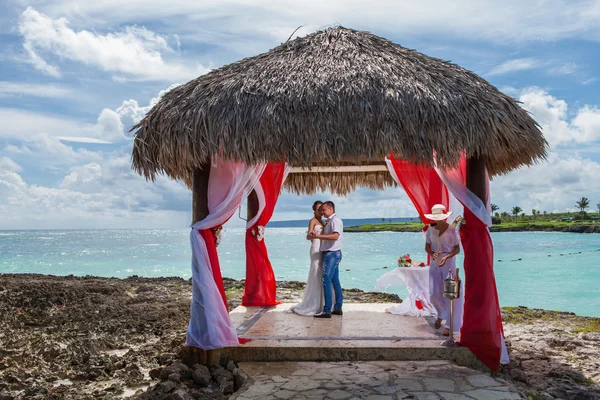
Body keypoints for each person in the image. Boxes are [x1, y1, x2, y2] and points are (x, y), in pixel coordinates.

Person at [424, 204, 464, 336]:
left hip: (448, 263)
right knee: (434, 293)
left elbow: (457, 249)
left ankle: (449, 325)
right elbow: (427, 247)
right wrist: (432, 253)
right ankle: (441, 314)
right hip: (434, 263)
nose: (438, 220)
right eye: (436, 218)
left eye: (440, 218)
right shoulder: (431, 229)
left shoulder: (452, 230)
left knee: (450, 294)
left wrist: (446, 257)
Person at [291, 201, 332, 316]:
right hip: (316, 248)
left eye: (321, 209)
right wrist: (312, 235)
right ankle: (314, 303)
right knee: (315, 272)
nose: (320, 211)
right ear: (314, 211)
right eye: (318, 209)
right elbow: (308, 236)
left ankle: (323, 303)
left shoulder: (323, 222)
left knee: (322, 274)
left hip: (323, 248)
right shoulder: (313, 221)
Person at [309, 201, 343, 319]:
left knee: (326, 281)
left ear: (330, 209)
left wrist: (318, 236)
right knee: (335, 281)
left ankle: (327, 310)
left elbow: (335, 236)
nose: (322, 213)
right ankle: (338, 307)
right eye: (321, 210)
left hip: (332, 254)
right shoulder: (329, 221)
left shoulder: (335, 221)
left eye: (323, 210)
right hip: (332, 253)